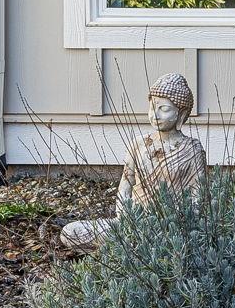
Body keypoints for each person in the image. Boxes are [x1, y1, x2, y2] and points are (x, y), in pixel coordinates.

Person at [60, 73, 208, 248]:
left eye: (164, 109)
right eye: (152, 108)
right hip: (135, 223)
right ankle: (134, 244)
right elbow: (125, 185)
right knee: (70, 233)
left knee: (174, 241)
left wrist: (180, 222)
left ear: (181, 113)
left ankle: (138, 248)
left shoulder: (191, 149)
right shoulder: (138, 144)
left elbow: (198, 197)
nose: (156, 115)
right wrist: (125, 218)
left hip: (172, 229)